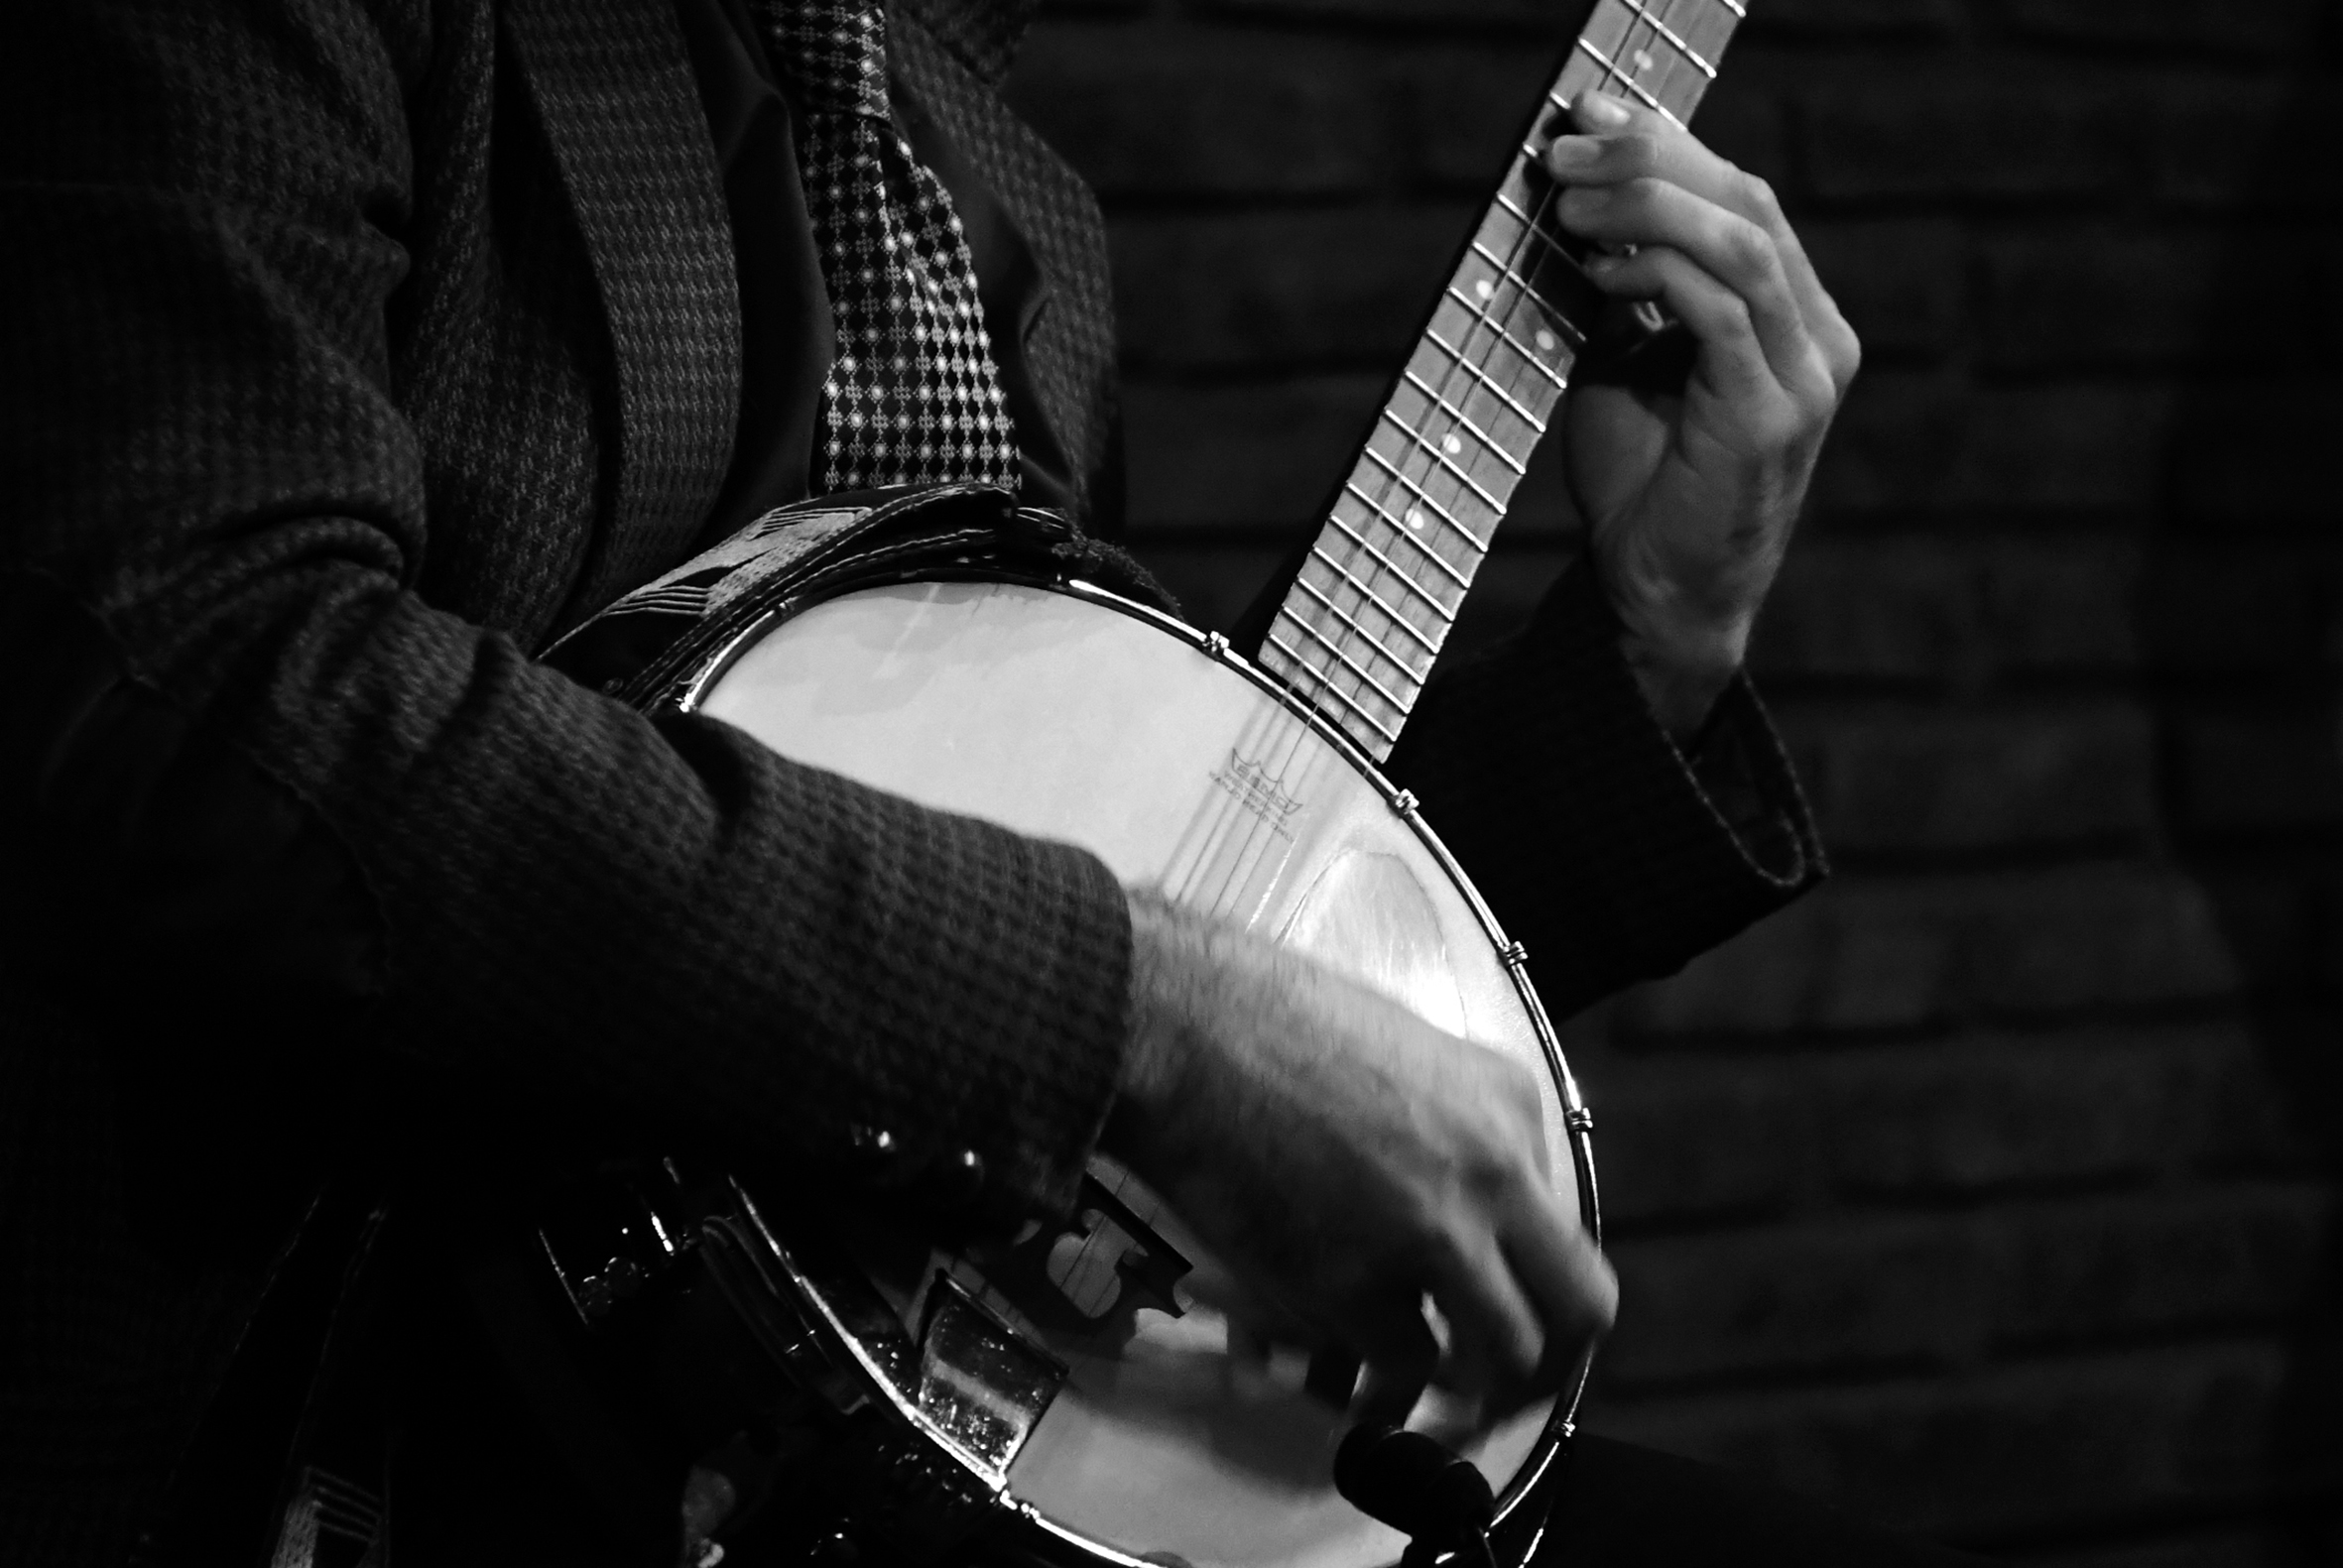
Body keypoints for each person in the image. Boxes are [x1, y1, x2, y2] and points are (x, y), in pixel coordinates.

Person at [0, 0, 1950, 1563]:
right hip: (355, 1414)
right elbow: (213, 710)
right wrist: (1132, 1016)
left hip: (885, 1427)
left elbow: (1174, 889)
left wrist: (1654, 627)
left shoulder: (988, 169)